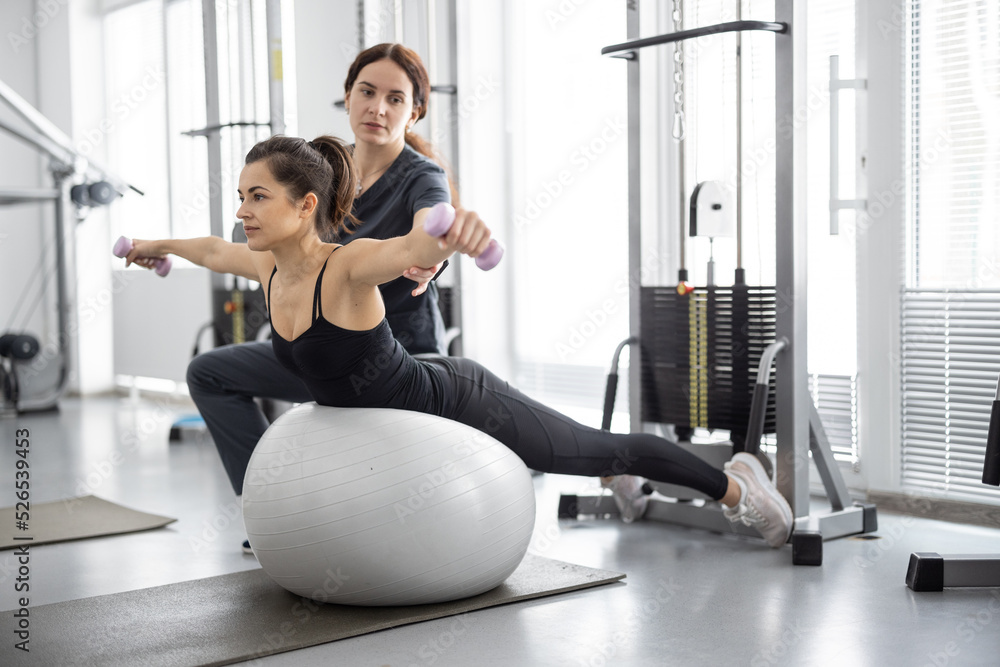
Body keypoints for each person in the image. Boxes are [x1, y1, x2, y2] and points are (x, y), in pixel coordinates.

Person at [125, 134, 795, 549]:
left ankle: (735, 485)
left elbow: (412, 245)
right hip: (356, 395)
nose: (242, 211)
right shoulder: (268, 264)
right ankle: (262, 507)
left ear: (304, 206)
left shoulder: (348, 265)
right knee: (211, 368)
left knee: (593, 450)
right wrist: (157, 245)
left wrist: (454, 234)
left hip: (446, 395)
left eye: (257, 197)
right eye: (241, 196)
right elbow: (213, 249)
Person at [183, 44, 453, 512]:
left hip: (397, 358)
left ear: (414, 113)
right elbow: (247, 232)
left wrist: (430, 254)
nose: (377, 107)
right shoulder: (322, 167)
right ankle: (266, 504)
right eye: (366, 92)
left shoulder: (422, 175)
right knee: (209, 372)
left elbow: (431, 226)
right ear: (347, 96)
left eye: (395, 98)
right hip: (320, 351)